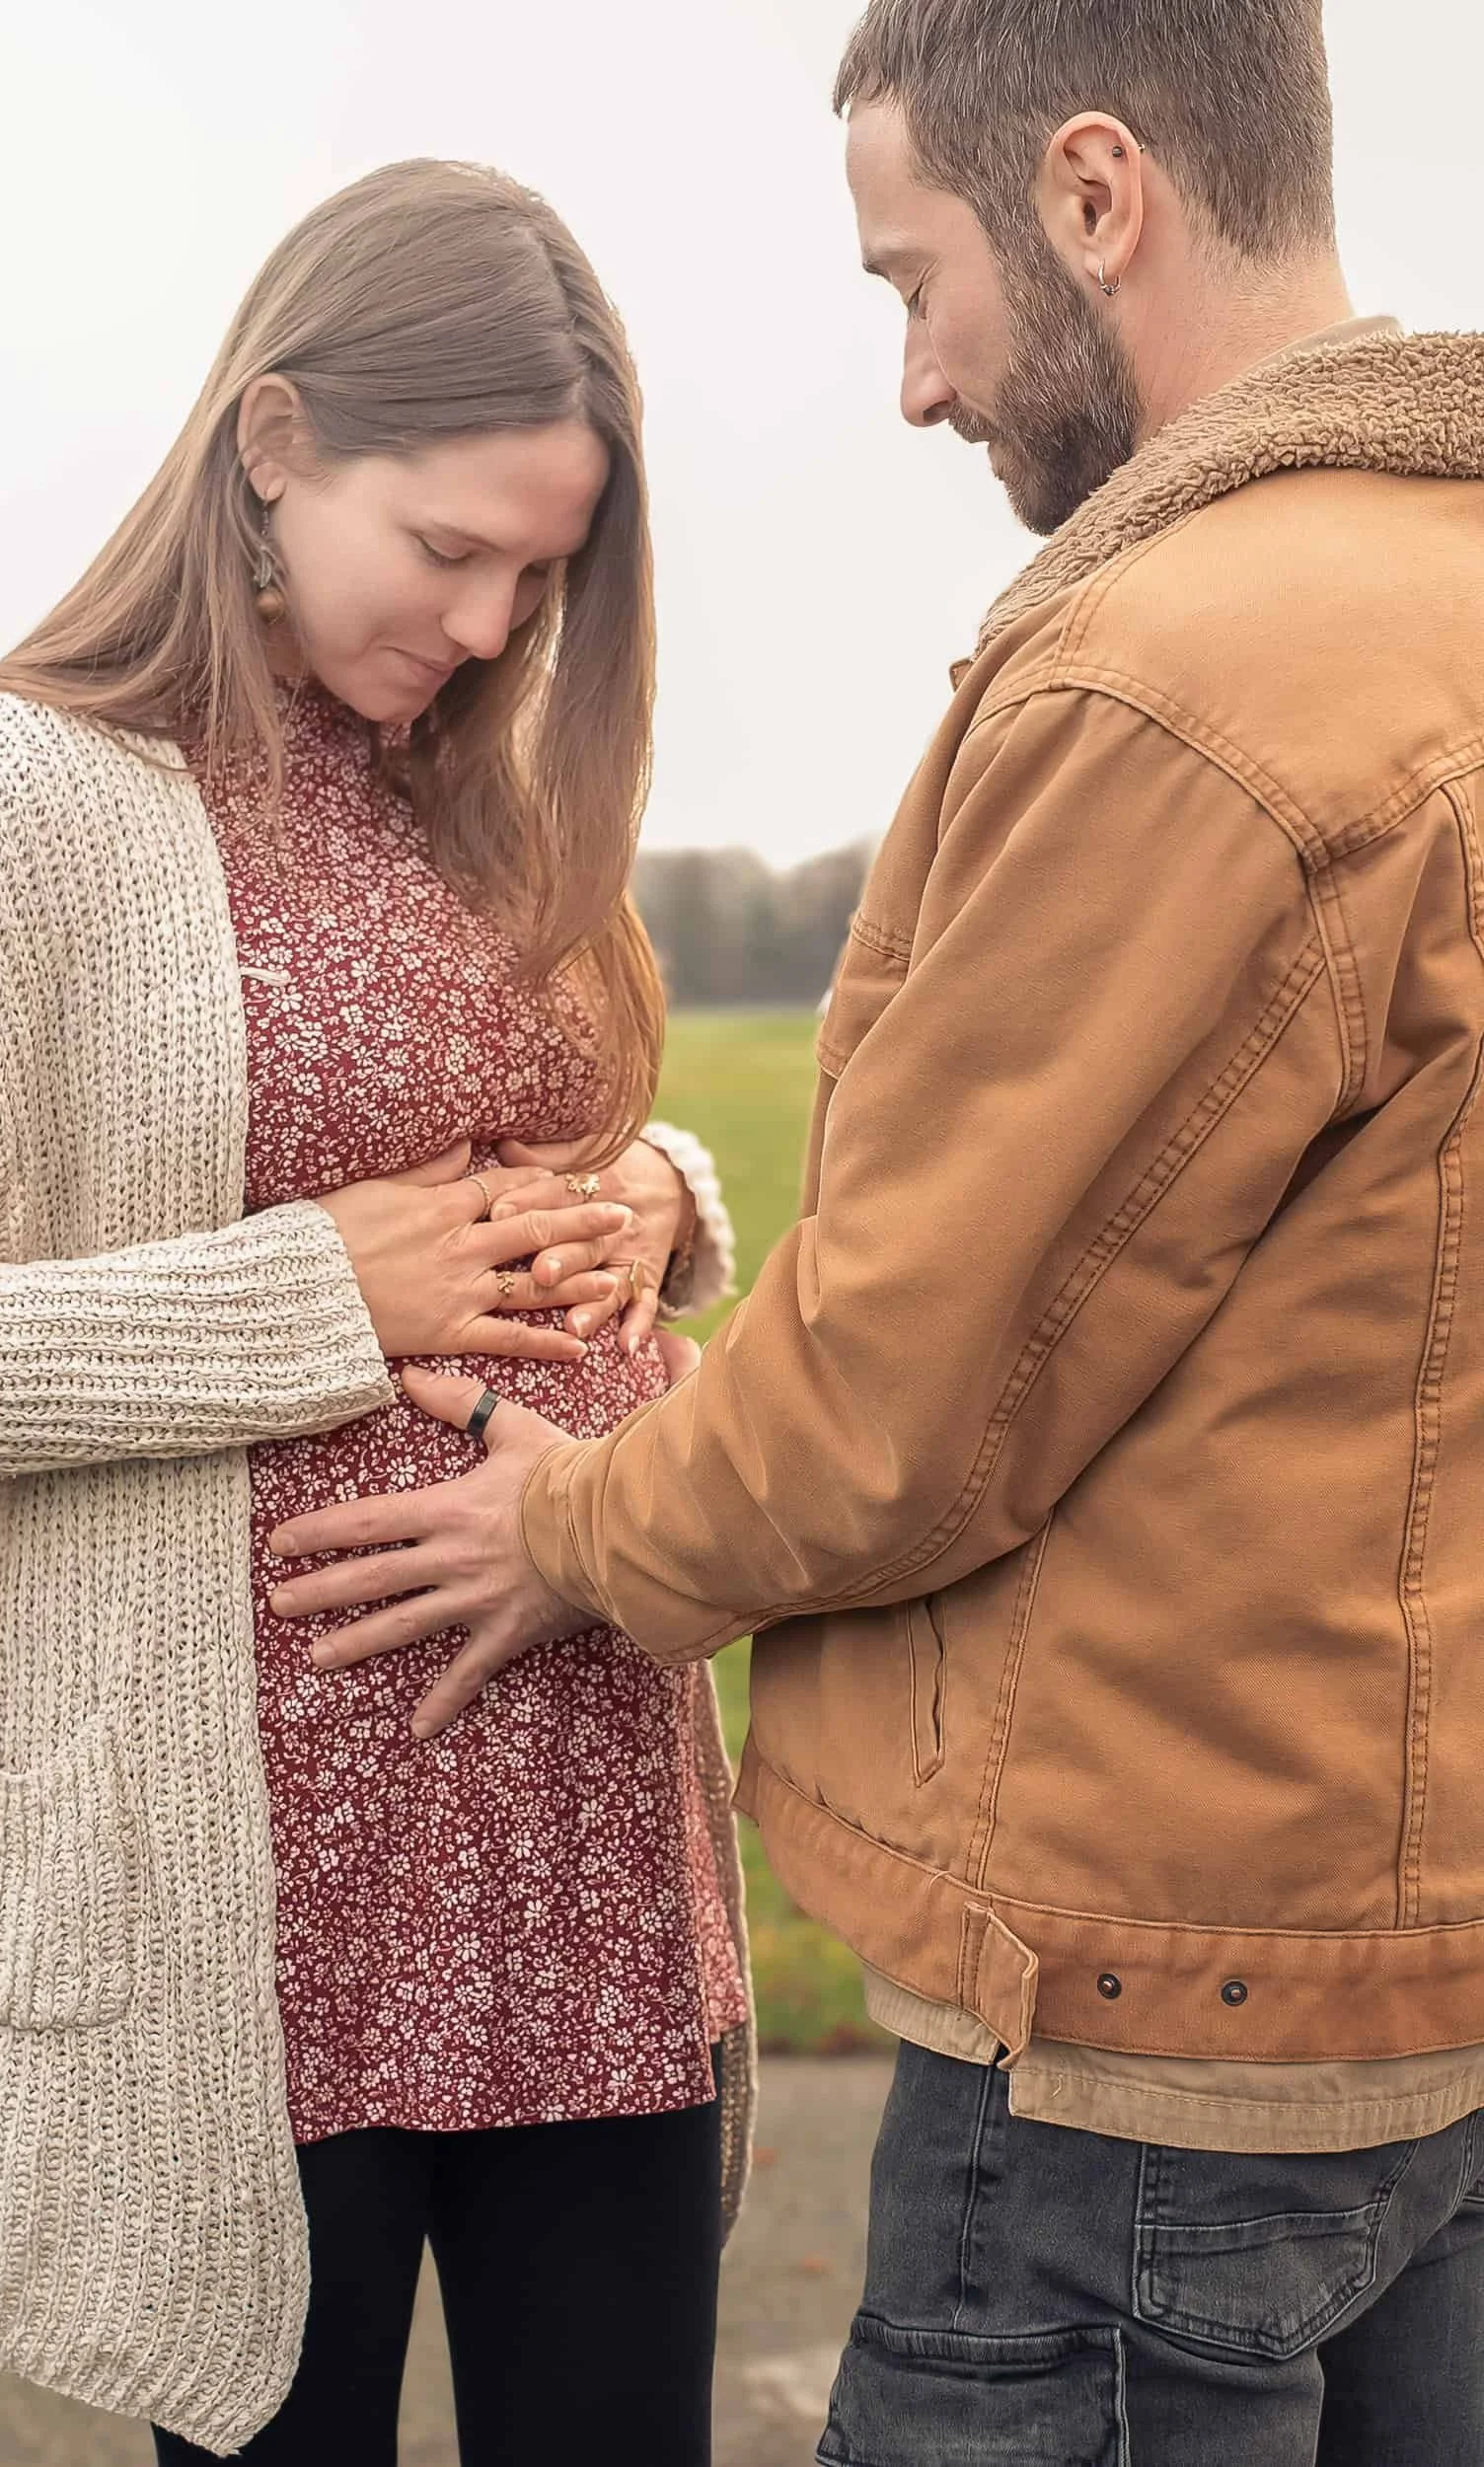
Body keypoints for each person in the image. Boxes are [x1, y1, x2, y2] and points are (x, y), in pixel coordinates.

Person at [273, 7, 1484, 2461]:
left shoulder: (1175, 680)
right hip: (1407, 1975)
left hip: (1134, 2026)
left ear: (1091, 192)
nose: (916, 381)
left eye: (905, 277)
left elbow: (907, 1388)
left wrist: (569, 1520)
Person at [0, 160, 755, 2467]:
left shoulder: (474, 786)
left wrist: (642, 1208)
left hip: (584, 1848)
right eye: (449, 549)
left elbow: (555, 1145)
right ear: (272, 443)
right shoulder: (20, 807)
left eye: (541, 575)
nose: (491, 625)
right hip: (266, 1915)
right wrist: (307, 1294)